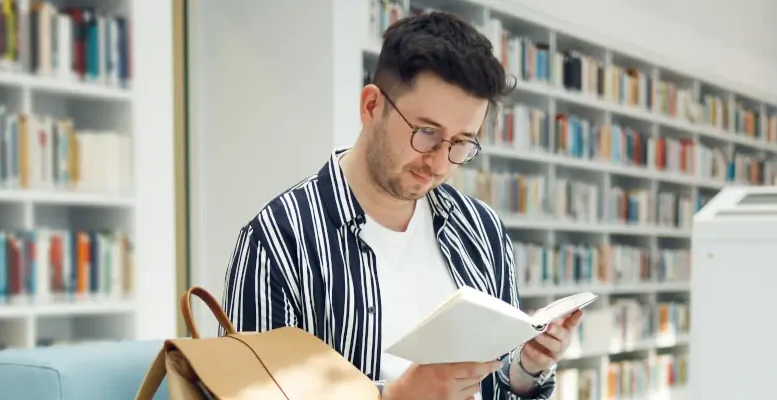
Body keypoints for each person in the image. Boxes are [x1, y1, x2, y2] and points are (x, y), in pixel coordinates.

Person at [221, 11, 583, 400]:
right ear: (372, 106)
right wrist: (392, 397)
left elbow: (493, 389)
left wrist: (524, 370)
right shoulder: (277, 241)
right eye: (427, 133)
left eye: (461, 142)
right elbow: (248, 395)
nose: (440, 163)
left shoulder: (481, 230)